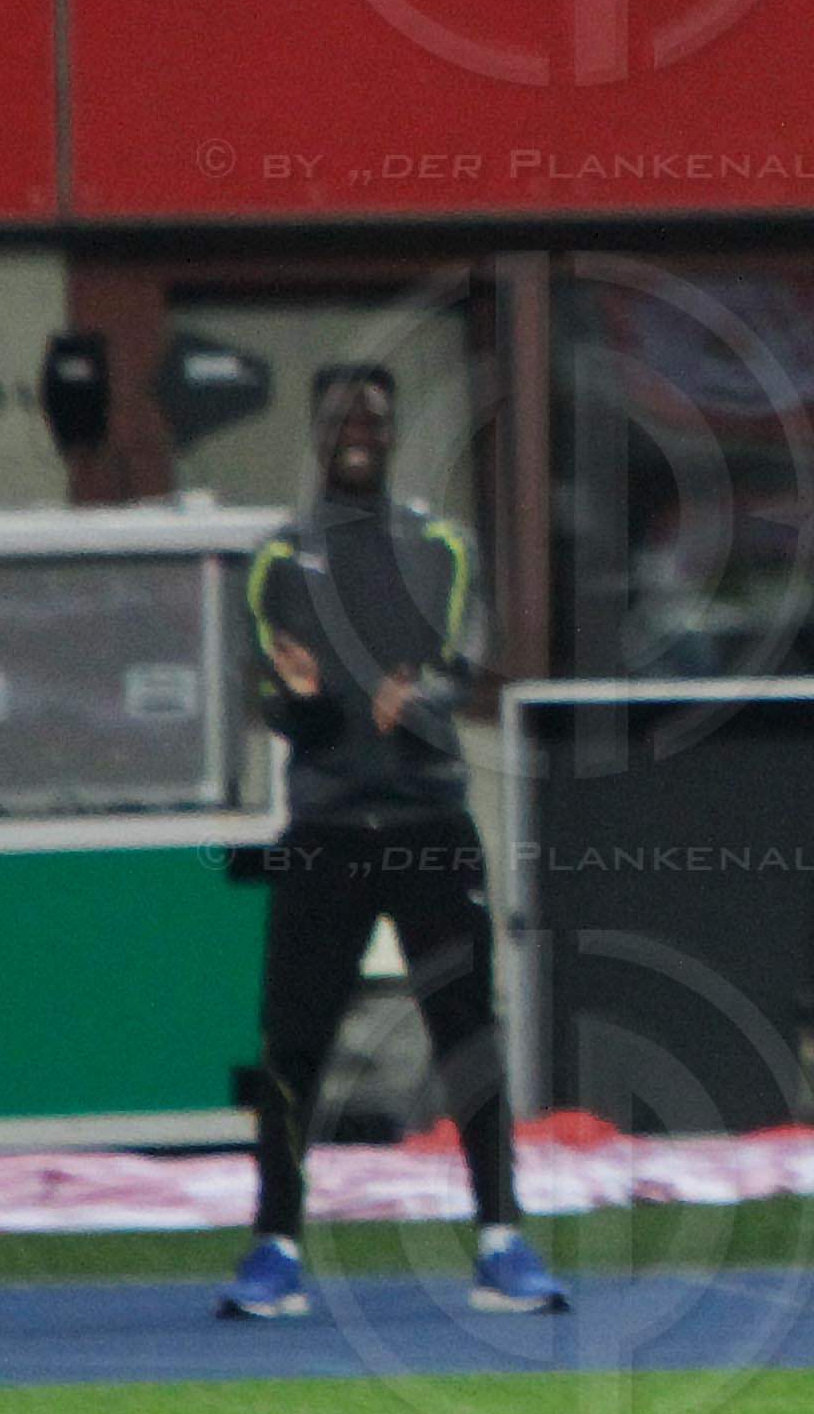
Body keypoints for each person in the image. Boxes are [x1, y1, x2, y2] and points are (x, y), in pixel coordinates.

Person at [221, 371, 566, 1324]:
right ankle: (276, 1246)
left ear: (395, 430)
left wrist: (413, 700)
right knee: (293, 1044)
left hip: (427, 828)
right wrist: (304, 696)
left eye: (375, 414)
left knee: (469, 1038)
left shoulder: (441, 547)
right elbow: (272, 695)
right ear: (318, 434)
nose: (359, 431)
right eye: (341, 418)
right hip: (326, 833)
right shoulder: (278, 560)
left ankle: (502, 1240)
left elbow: (463, 673)